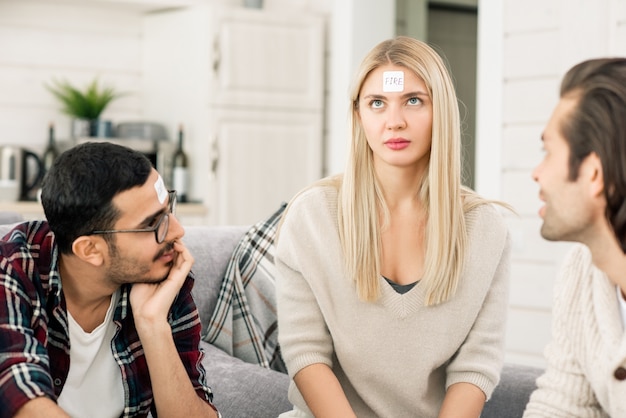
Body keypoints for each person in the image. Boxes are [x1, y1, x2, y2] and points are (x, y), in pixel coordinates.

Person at [274, 36, 511, 418]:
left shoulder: (485, 228)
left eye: (413, 101)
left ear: (441, 112)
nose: (394, 121)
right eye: (377, 103)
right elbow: (306, 353)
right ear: (358, 116)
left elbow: (475, 367)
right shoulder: (312, 216)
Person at [0, 142, 220, 418]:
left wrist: (153, 325)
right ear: (90, 250)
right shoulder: (13, 268)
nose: (177, 231)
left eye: (169, 209)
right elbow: (20, 399)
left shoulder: (159, 274)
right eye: (152, 224)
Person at [523, 58, 626, 417]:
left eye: (548, 151)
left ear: (594, 173)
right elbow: (563, 403)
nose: (537, 173)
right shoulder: (583, 270)